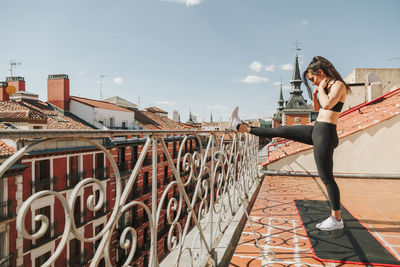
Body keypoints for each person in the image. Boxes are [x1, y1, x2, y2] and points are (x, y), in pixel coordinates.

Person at [229, 56, 351, 231]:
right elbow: (318, 108)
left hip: (326, 133)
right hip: (317, 129)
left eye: (313, 79)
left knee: (326, 178)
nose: (313, 83)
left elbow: (328, 103)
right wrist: (317, 94)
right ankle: (241, 127)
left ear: (321, 73)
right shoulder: (325, 87)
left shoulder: (338, 85)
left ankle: (336, 219)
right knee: (282, 130)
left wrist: (321, 89)